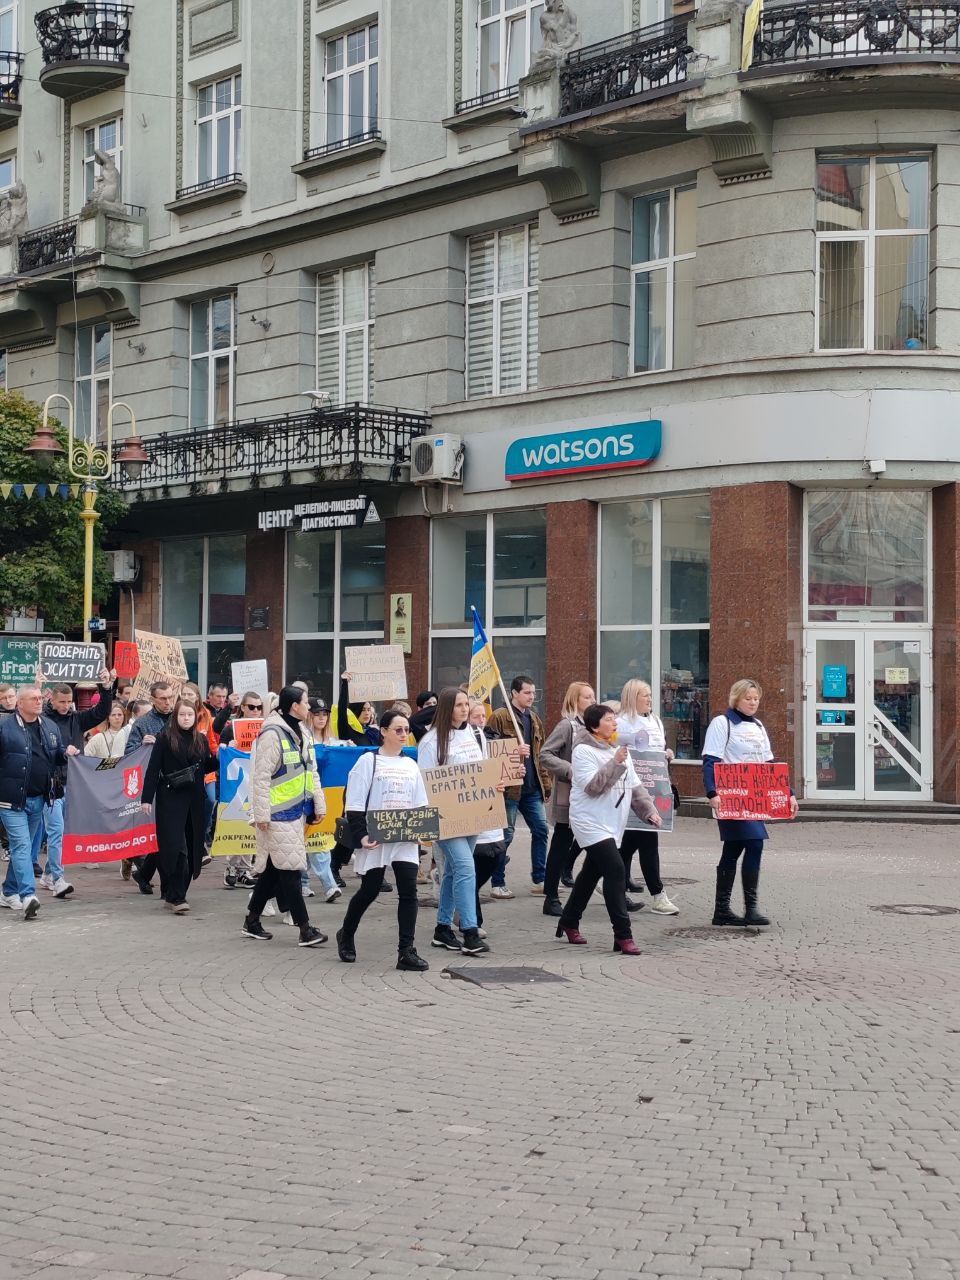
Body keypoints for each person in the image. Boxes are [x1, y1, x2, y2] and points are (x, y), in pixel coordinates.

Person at [556, 703, 662, 954]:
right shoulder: (583, 751)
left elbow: (636, 788)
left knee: (591, 873)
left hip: (613, 823)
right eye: (609, 719)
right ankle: (623, 935)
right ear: (594, 726)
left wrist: (650, 812)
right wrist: (615, 763)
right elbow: (593, 786)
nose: (615, 723)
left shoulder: (619, 750)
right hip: (589, 822)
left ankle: (569, 920)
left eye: (615, 719)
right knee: (615, 869)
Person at [335, 708, 430, 970]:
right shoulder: (368, 762)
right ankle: (346, 933)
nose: (403, 734)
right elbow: (354, 805)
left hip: (403, 839)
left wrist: (422, 831)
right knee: (370, 890)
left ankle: (406, 951)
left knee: (409, 891)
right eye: (398, 730)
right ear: (384, 732)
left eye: (406, 730)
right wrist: (362, 835)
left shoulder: (411, 765)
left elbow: (420, 804)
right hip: (376, 837)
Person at [702, 679, 798, 927]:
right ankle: (749, 909)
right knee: (754, 843)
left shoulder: (758, 725)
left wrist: (789, 793)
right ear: (736, 698)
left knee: (733, 849)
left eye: (756, 698)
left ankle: (722, 910)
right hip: (731, 796)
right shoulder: (721, 723)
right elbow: (710, 759)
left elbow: (769, 764)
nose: (753, 703)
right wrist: (712, 792)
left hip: (755, 797)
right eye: (748, 698)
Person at [241, 685, 327, 947]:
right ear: (294, 707)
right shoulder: (272, 734)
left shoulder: (301, 732)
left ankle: (252, 921)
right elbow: (261, 777)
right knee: (290, 869)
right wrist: (262, 815)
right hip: (277, 815)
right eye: (306, 702)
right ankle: (305, 929)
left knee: (272, 872)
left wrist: (319, 805)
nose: (310, 707)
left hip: (295, 812)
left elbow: (311, 772)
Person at [418, 686, 490, 955]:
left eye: (466, 704)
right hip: (445, 815)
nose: (465, 709)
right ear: (447, 708)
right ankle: (469, 931)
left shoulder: (474, 733)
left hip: (472, 811)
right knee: (465, 867)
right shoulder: (431, 741)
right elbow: (425, 781)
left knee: (452, 871)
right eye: (459, 705)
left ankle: (442, 928)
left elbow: (482, 769)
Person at [0, 686, 77, 917]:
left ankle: (8, 891)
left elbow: (55, 753)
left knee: (21, 849)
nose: (39, 702)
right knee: (23, 846)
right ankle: (28, 896)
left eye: (39, 698)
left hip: (39, 798)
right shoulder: (4, 727)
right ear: (19, 704)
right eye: (33, 699)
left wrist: (66, 753)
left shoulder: (49, 726)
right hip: (11, 800)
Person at [41, 670, 116, 896]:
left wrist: (106, 688)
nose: (65, 706)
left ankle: (47, 874)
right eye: (61, 702)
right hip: (50, 785)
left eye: (68, 701)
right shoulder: (42, 721)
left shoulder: (76, 719)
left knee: (62, 833)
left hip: (72, 784)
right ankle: (58, 878)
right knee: (56, 832)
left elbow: (102, 712)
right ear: (51, 700)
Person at [140, 698, 211, 914]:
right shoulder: (164, 738)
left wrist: (227, 753)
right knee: (175, 848)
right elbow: (152, 769)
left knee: (190, 848)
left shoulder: (201, 740)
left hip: (194, 801)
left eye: (190, 714)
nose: (186, 718)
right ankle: (177, 896)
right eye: (182, 715)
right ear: (175, 716)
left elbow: (207, 765)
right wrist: (146, 798)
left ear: (195, 716)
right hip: (170, 799)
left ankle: (175, 893)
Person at [615, 680, 679, 916]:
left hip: (654, 787)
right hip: (632, 790)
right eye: (645, 695)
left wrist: (666, 754)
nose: (650, 699)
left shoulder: (655, 720)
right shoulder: (621, 722)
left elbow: (656, 748)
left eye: (650, 695)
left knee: (630, 843)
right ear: (632, 697)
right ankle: (658, 895)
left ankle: (608, 880)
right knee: (648, 842)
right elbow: (616, 751)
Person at [487, 675, 551, 895]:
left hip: (531, 787)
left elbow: (539, 754)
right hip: (510, 788)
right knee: (506, 835)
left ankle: (540, 879)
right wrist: (514, 752)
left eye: (534, 693)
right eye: (527, 692)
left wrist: (545, 782)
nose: (532, 697)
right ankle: (497, 882)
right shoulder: (499, 716)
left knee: (541, 830)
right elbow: (489, 748)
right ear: (514, 693)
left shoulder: (534, 718)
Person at [539, 681, 595, 917]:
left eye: (593, 697)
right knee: (561, 843)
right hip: (569, 794)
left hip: (590, 794)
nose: (592, 701)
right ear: (575, 701)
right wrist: (569, 769)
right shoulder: (567, 726)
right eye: (587, 698)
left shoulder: (595, 726)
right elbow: (545, 754)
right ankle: (550, 896)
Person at [217, 691, 264, 889]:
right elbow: (222, 756)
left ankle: (245, 868)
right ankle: (232, 866)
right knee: (236, 821)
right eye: (251, 707)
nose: (255, 711)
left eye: (259, 707)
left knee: (250, 822)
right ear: (243, 707)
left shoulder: (265, 728)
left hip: (255, 782)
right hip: (236, 783)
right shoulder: (231, 729)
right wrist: (230, 747)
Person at [335, 671, 382, 746]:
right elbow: (342, 711)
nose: (367, 713)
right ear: (355, 711)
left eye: (369, 710)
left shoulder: (374, 732)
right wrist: (345, 683)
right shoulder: (347, 730)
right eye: (363, 710)